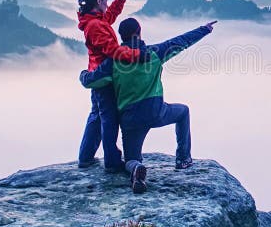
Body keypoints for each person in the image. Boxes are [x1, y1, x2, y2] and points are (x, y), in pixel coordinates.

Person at [80, 17, 216, 193]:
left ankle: (136, 169)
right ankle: (183, 159)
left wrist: (83, 74)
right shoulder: (155, 53)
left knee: (130, 159)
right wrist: (204, 29)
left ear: (121, 36)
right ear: (139, 32)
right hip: (156, 111)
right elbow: (182, 41)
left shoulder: (113, 61)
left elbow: (92, 81)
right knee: (183, 112)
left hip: (129, 119)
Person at [76, 0, 143, 172]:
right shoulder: (95, 26)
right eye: (106, 0)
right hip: (104, 78)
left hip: (98, 76)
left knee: (97, 116)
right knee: (109, 119)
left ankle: (86, 157)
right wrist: (137, 54)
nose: (107, 4)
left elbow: (109, 17)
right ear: (98, 1)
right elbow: (113, 51)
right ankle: (112, 162)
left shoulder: (95, 21)